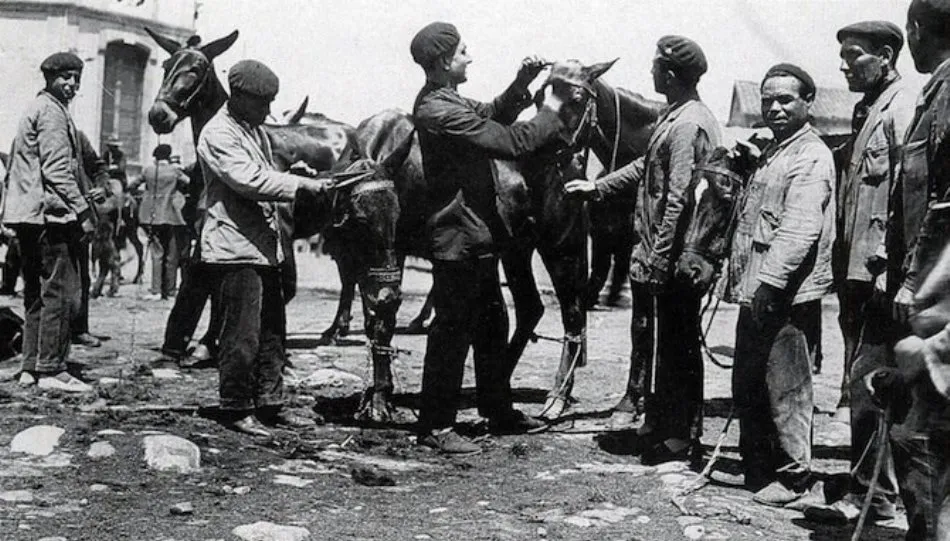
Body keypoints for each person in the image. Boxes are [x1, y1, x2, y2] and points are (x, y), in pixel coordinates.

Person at [410, 21, 566, 454]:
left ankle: (498, 410)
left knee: (492, 325)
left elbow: (491, 115)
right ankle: (436, 427)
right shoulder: (437, 111)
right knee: (452, 333)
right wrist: (552, 107)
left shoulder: (448, 101)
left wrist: (522, 82)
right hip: (457, 240)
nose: (470, 57)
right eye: (463, 52)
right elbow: (513, 141)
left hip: (477, 236)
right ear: (444, 61)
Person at [565, 35, 721, 465]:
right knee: (664, 344)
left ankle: (681, 435)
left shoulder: (690, 124)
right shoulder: (676, 117)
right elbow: (644, 166)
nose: (651, 72)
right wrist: (597, 186)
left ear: (670, 75)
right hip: (662, 254)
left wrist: (659, 257)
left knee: (679, 346)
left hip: (674, 259)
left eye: (655, 67)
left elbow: (678, 197)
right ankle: (661, 421)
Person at [803, 21, 914, 525]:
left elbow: (908, 199)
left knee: (870, 382)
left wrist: (898, 274)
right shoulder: (868, 108)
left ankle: (872, 496)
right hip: (855, 272)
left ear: (887, 55)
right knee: (861, 382)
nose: (845, 65)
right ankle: (875, 489)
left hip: (880, 275)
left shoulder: (903, 107)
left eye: (854, 55)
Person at [197, 58, 330, 436]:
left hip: (263, 246)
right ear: (238, 97)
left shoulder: (251, 128)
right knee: (241, 334)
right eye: (262, 103)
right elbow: (248, 180)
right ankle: (237, 407)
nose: (269, 111)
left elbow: (265, 173)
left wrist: (292, 175)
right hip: (234, 247)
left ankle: (270, 403)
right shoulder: (218, 132)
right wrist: (298, 186)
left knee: (273, 330)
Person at [725, 64, 835, 506]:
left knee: (786, 387)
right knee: (749, 381)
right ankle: (758, 467)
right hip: (758, 289)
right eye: (768, 99)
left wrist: (769, 284)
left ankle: (793, 477)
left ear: (808, 103)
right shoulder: (776, 150)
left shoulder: (811, 155)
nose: (774, 107)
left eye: (786, 99)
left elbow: (800, 228)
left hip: (784, 294)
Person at [861, 1, 950, 538]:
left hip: (939, 292)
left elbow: (944, 204)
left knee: (925, 433)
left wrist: (913, 278)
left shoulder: (946, 94)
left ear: (915, 31)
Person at [2, 52, 105, 392]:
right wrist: (84, 211)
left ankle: (31, 365)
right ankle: (53, 370)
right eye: (65, 78)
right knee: (61, 293)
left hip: (29, 217)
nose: (72, 84)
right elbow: (57, 170)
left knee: (36, 292)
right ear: (49, 78)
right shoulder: (51, 112)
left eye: (77, 78)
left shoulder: (37, 107)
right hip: (51, 216)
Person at [72, 130, 114, 348]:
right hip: (43, 214)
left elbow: (99, 168)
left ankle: (79, 329)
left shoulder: (78, 137)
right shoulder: (32, 136)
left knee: (81, 274)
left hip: (77, 216)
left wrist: (100, 187)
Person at [131, 144, 189, 299]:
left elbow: (132, 185)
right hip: (171, 216)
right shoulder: (175, 171)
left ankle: (156, 290)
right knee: (172, 254)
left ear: (155, 157)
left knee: (156, 253)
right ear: (169, 156)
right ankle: (170, 291)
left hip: (151, 215)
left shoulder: (148, 171)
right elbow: (189, 183)